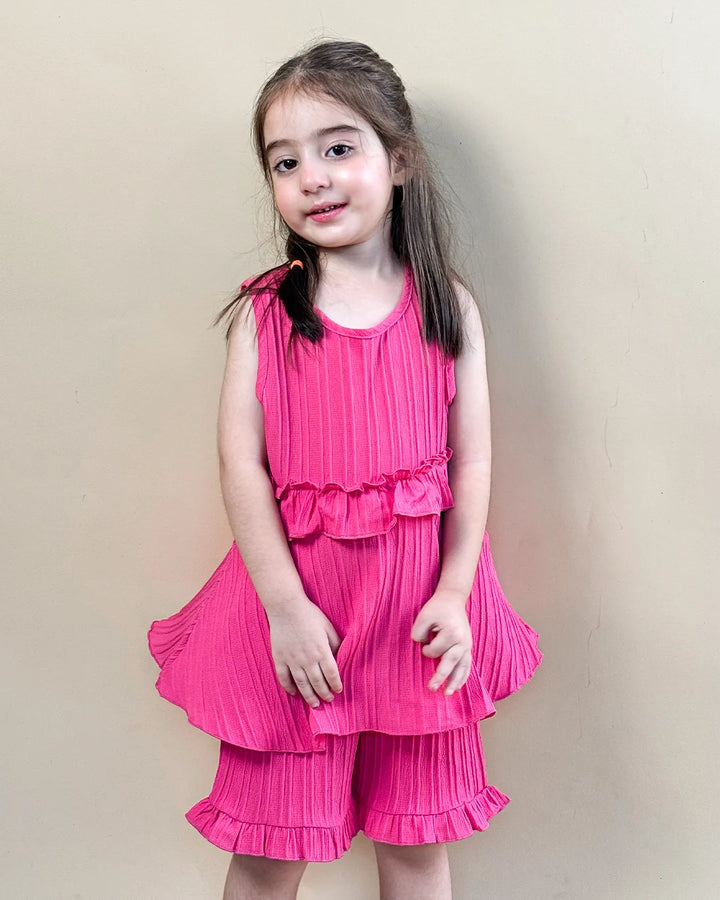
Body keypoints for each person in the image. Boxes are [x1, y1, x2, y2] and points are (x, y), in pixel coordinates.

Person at [148, 39, 541, 900]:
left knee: (414, 847)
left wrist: (455, 592)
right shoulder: (264, 315)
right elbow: (241, 465)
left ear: (396, 159)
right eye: (286, 162)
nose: (313, 178)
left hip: (417, 623)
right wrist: (284, 610)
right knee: (268, 849)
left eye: (338, 148)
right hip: (298, 627)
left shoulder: (449, 309)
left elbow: (471, 464)